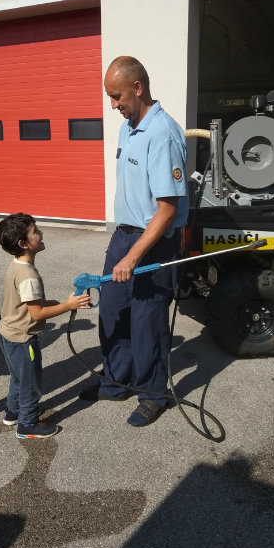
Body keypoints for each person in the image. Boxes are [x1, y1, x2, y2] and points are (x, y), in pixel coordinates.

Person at [79, 56, 188, 427]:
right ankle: (115, 382)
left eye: (117, 96)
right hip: (123, 235)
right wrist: (123, 252)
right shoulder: (129, 128)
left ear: (137, 88)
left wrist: (133, 257)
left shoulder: (163, 133)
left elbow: (167, 210)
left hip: (154, 241)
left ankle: (153, 395)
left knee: (147, 321)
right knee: (113, 310)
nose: (113, 105)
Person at [0, 212, 91, 439]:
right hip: (23, 338)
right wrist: (68, 306)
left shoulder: (17, 265)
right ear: (24, 243)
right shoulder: (28, 276)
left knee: (19, 378)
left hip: (9, 334)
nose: (41, 233)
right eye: (35, 232)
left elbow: (28, 303)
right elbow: (37, 312)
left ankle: (13, 412)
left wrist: (58, 303)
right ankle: (27, 424)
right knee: (30, 383)